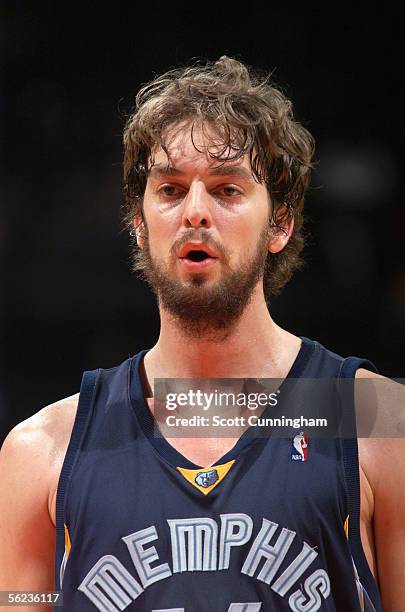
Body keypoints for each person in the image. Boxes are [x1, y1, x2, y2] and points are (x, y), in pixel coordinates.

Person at [0, 56, 403, 611]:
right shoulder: (41, 451)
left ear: (280, 223)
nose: (195, 212)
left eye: (227, 189)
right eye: (168, 190)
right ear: (138, 224)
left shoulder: (378, 424)